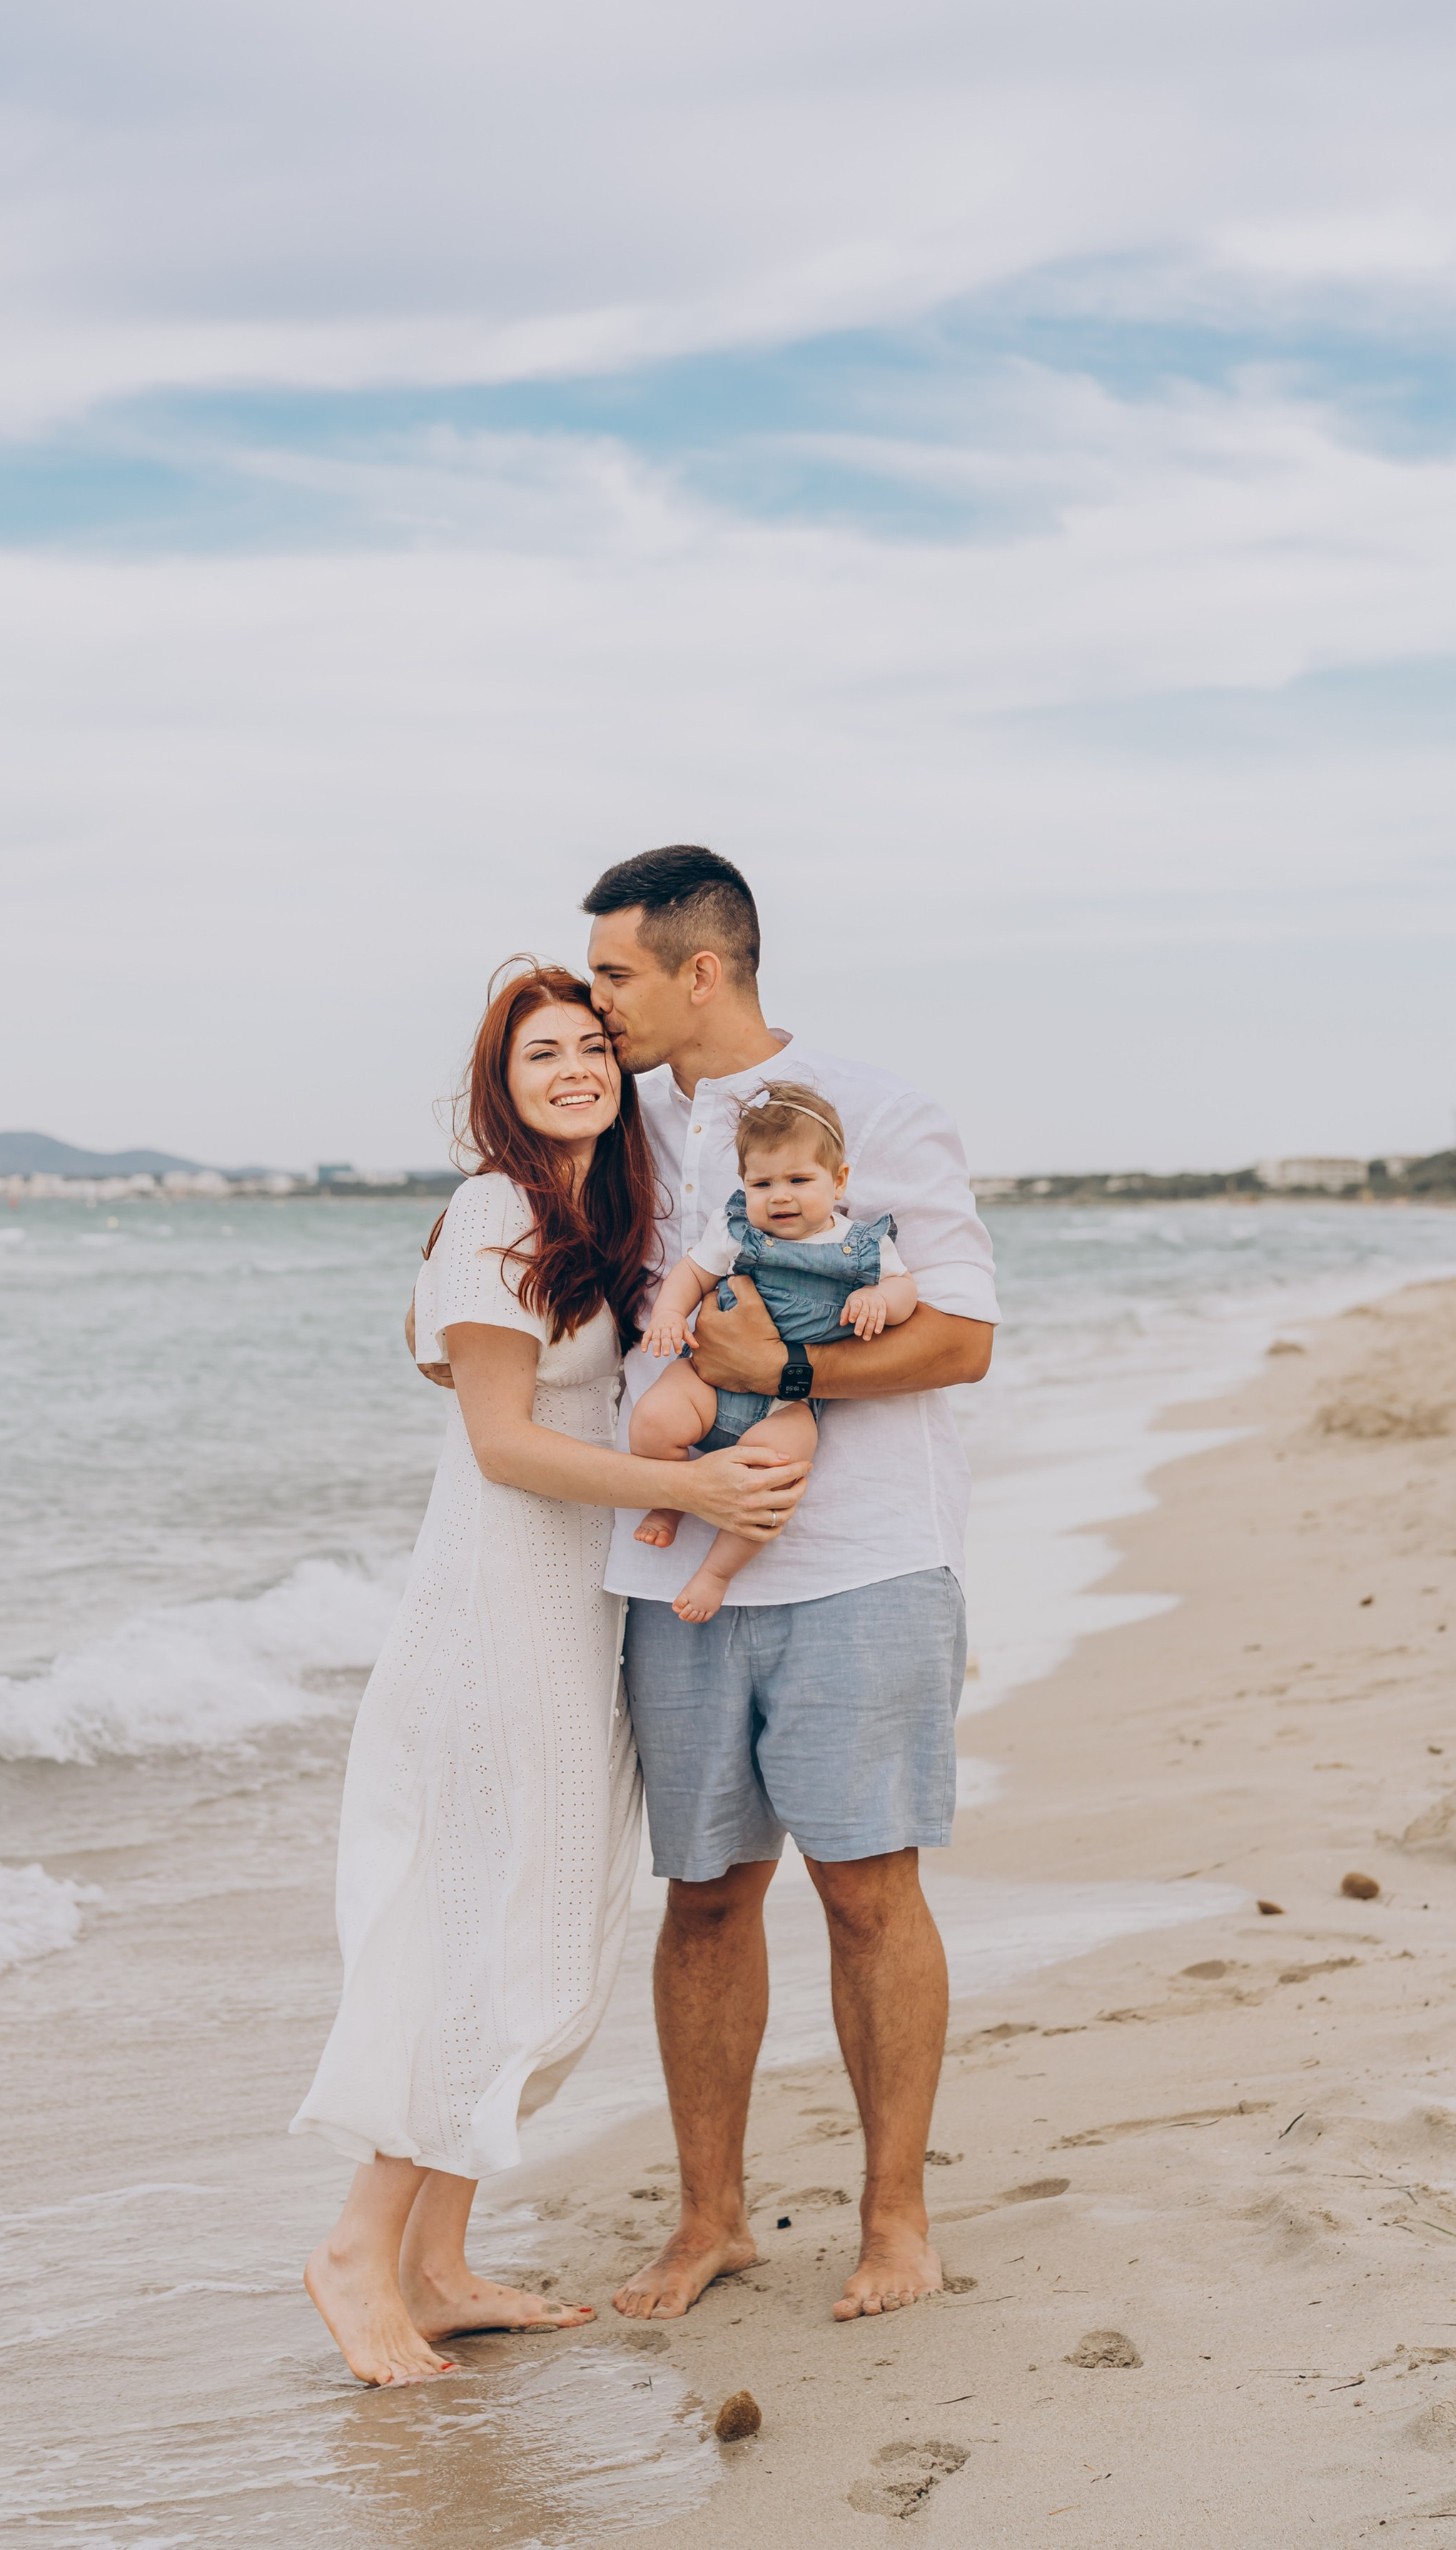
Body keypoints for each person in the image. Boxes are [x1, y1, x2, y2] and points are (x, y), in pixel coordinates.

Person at [293, 960, 811, 2387]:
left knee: (543, 1930)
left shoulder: (599, 1213)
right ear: (499, 1080)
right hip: (491, 1612)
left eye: (594, 1045)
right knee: (482, 1936)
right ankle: (356, 2255)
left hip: (575, 1612)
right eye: (544, 1052)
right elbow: (502, 1444)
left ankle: (441, 2265)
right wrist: (702, 1491)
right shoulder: (490, 1208)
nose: (577, 1066)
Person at [583, 845, 1000, 2327]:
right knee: (701, 1895)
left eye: (616, 974)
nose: (596, 999)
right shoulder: (611, 1126)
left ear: (701, 970)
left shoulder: (875, 1107)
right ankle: (710, 2220)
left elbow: (959, 1338)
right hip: (671, 1560)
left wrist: (794, 1368)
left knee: (868, 1892)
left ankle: (895, 2220)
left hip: (863, 1559)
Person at [628, 1079, 917, 1621]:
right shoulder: (737, 1231)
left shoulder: (862, 1245)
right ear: (743, 1184)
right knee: (654, 1419)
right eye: (762, 1183)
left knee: (776, 1480)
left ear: (839, 1181)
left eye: (799, 1180)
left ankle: (715, 1573)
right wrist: (670, 1313)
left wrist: (882, 1299)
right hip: (707, 1380)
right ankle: (668, 1502)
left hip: (788, 1403)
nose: (779, 1195)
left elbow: (907, 1290)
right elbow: (693, 1271)